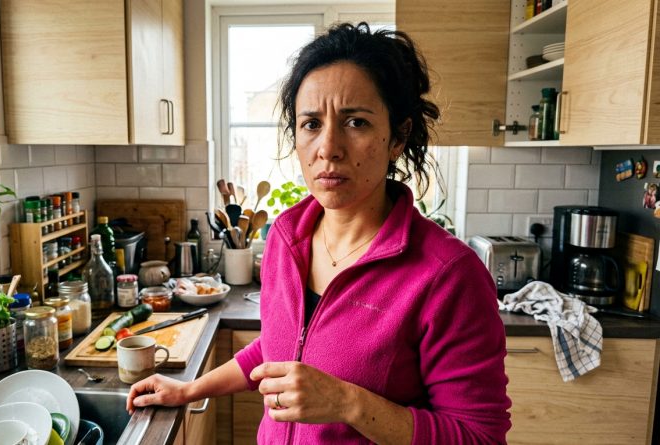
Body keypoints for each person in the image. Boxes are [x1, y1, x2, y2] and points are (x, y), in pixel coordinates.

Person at [127, 22, 511, 444]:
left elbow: (480, 437)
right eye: (311, 124)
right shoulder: (285, 238)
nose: (328, 148)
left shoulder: (448, 275)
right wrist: (189, 389)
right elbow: (277, 349)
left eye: (356, 122)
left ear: (398, 137)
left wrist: (348, 403)